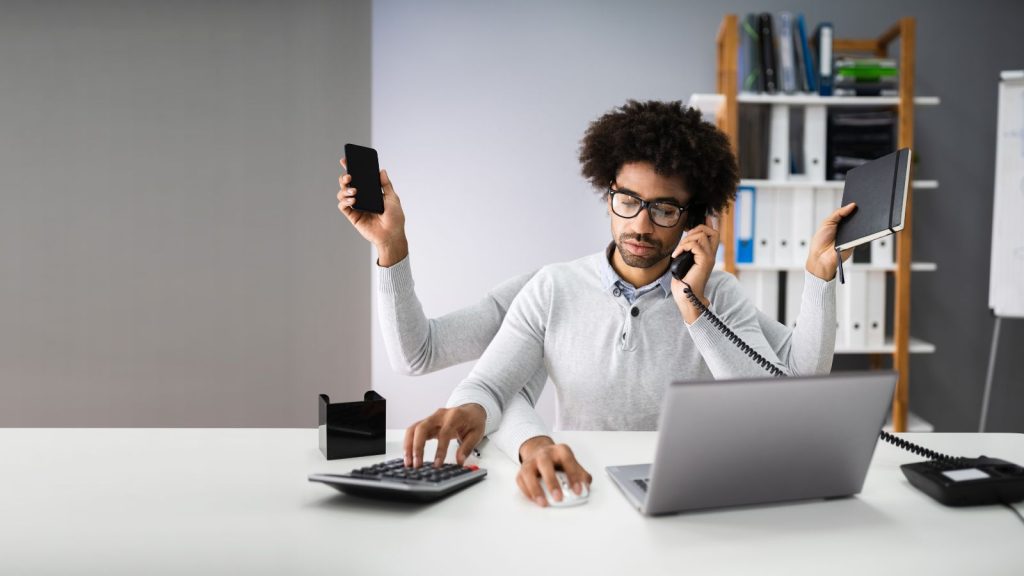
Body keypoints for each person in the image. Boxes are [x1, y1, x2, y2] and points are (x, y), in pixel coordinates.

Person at [338, 100, 853, 507]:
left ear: (695, 218)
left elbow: (790, 385)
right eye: (627, 201)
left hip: (693, 492)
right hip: (584, 486)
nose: (641, 225)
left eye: (664, 208)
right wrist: (516, 433)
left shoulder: (719, 294)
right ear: (607, 192)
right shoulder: (553, 287)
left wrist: (810, 279)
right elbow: (489, 383)